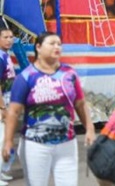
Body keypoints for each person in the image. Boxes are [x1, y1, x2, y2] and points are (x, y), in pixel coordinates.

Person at [2, 32, 96, 186]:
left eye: (59, 44)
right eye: (51, 43)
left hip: (67, 143)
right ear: (38, 47)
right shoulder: (26, 77)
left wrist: (90, 128)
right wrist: (8, 141)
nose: (56, 47)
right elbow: (14, 111)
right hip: (35, 144)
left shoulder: (69, 74)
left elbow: (80, 104)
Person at [0, 27, 16, 186]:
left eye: (11, 37)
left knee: (6, 138)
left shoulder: (5, 55)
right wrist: (2, 108)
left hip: (8, 101)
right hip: (2, 104)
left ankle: (2, 171)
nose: (9, 40)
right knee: (1, 138)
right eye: (5, 37)